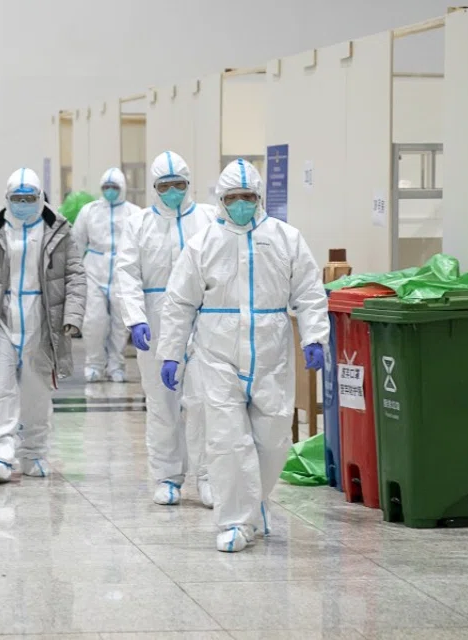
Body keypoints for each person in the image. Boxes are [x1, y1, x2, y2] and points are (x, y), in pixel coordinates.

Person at [157, 159, 329, 552]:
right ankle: (235, 521)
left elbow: (308, 290)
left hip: (271, 351)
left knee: (271, 439)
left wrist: (314, 337)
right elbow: (180, 302)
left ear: (259, 197)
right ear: (220, 200)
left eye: (247, 197)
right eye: (233, 198)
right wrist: (172, 353)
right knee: (227, 440)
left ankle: (256, 504)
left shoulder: (285, 238)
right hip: (217, 353)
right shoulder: (202, 244)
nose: (241, 204)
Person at [0, 168, 85, 484]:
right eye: (17, 198)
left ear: (40, 199)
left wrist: (72, 316)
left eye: (30, 198)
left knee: (37, 392)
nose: (23, 204)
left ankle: (34, 452)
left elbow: (75, 275)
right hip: (2, 318)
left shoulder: (58, 231)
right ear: (7, 198)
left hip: (41, 320)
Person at [115, 151, 215, 507]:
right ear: (154, 188)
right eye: (165, 186)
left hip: (201, 321)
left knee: (202, 402)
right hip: (156, 322)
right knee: (161, 403)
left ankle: (208, 477)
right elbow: (126, 272)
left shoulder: (207, 218)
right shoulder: (139, 224)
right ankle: (167, 476)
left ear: (189, 184)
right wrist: (135, 317)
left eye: (179, 185)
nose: (172, 191)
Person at [71, 167, 139, 383]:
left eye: (114, 187)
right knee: (94, 321)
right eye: (106, 187)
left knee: (120, 323)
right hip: (94, 269)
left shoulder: (134, 213)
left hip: (123, 271)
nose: (110, 191)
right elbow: (77, 242)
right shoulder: (89, 211)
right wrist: (73, 273)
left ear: (123, 188)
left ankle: (116, 365)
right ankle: (94, 364)